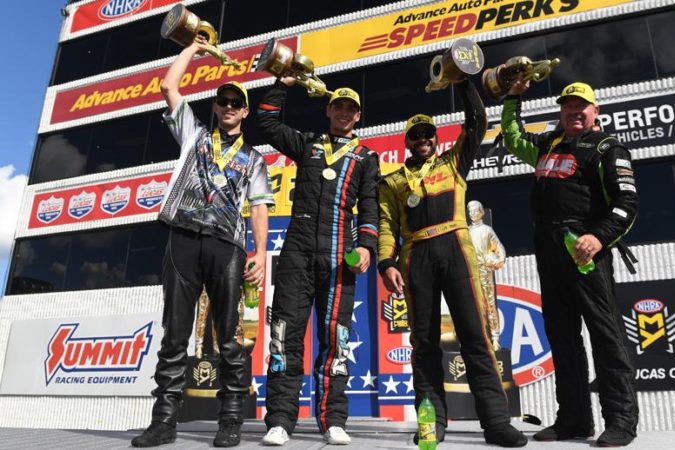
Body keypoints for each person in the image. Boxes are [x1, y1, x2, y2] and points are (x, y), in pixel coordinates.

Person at [132, 38, 274, 448]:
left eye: (236, 102)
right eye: (223, 100)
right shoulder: (193, 135)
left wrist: (261, 253)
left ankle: (230, 420)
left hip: (226, 247)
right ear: (215, 105)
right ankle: (164, 421)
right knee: (176, 334)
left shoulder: (255, 158)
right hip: (181, 239)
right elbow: (168, 87)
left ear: (245, 111)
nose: (229, 106)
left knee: (229, 336)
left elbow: (260, 207)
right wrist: (193, 51)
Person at [377, 78, 527, 448]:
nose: (423, 139)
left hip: (458, 251)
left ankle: (496, 422)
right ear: (407, 141)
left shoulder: (454, 162)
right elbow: (385, 225)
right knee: (423, 343)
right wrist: (386, 263)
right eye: (416, 135)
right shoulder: (392, 181)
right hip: (417, 256)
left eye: (428, 133)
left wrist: (462, 80)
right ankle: (431, 424)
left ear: (436, 137)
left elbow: (477, 120)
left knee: (476, 336)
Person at [500, 80, 639, 447]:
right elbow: (512, 137)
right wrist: (513, 96)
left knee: (606, 336)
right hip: (548, 250)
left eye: (581, 106)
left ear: (596, 111)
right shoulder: (548, 145)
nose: (574, 112)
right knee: (562, 338)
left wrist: (597, 238)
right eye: (567, 106)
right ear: (560, 111)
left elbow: (627, 204)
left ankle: (621, 420)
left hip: (585, 251)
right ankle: (574, 420)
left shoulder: (608, 147)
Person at [256, 78, 379, 446]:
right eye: (338, 106)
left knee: (336, 339)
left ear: (358, 116)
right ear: (328, 110)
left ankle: (332, 420)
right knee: (283, 336)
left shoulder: (365, 157)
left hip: (339, 253)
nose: (343, 112)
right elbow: (266, 123)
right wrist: (282, 84)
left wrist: (369, 246)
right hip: (296, 251)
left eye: (350, 109)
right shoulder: (309, 143)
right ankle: (280, 420)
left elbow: (370, 205)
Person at [467, 200, 507, 351]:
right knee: (475, 307)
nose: (472, 214)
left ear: (481, 212)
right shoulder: (467, 232)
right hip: (471, 274)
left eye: (475, 210)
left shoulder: (487, 230)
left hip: (485, 271)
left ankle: (495, 337)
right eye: (470, 211)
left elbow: (499, 248)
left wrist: (498, 260)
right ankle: (480, 338)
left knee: (490, 306)